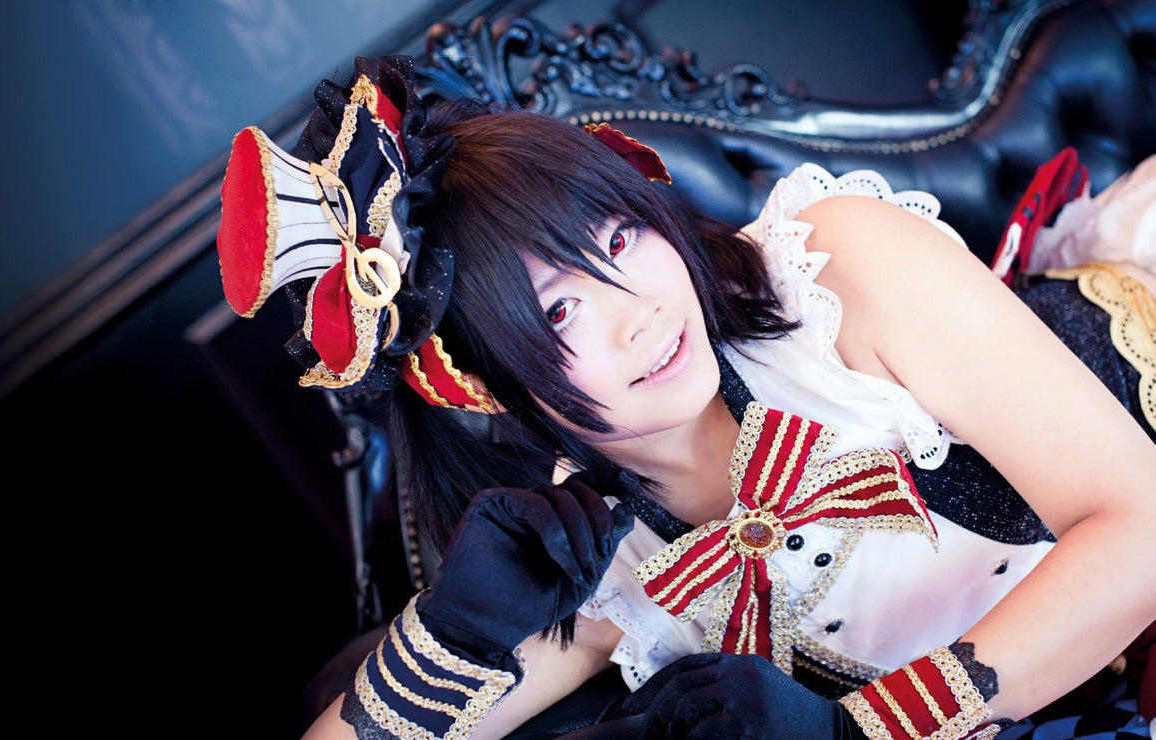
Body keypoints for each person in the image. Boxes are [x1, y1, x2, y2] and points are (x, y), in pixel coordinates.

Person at [216, 56, 1156, 739]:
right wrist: (454, 632)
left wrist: (859, 731)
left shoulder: (834, 274)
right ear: (480, 384)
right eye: (559, 313)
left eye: (619, 239)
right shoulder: (598, 563)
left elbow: (1140, 528)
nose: (639, 315)